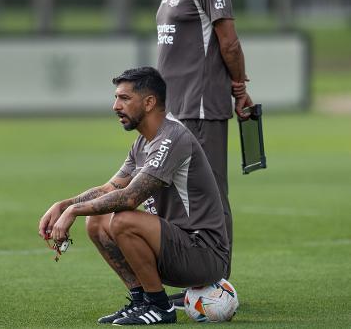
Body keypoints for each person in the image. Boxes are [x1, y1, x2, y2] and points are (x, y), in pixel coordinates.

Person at [38, 67, 229, 326]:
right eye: (116, 98)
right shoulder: (142, 143)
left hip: (203, 254)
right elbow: (109, 190)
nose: (116, 106)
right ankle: (141, 302)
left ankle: (160, 308)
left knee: (122, 220)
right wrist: (64, 205)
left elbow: (129, 198)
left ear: (149, 102)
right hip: (175, 248)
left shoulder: (173, 138)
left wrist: (73, 212)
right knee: (95, 220)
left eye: (124, 98)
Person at [135, 0, 253, 295]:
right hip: (175, 110)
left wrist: (239, 88)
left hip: (202, 108)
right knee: (173, 197)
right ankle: (192, 278)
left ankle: (216, 285)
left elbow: (229, 42)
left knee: (210, 197)